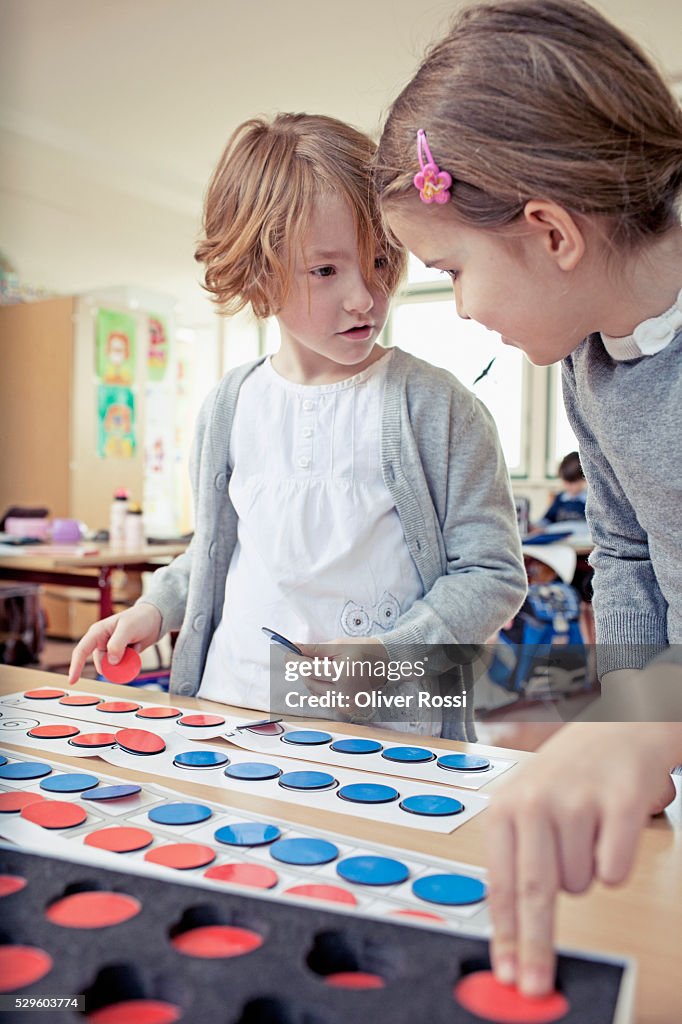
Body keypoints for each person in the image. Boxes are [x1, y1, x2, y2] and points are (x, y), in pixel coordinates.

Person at [374, 0, 682, 997]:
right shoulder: (589, 370)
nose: (456, 306)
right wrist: (637, 724)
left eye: (451, 270)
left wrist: (647, 721)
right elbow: (627, 556)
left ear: (548, 231)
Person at [69, 113, 526, 740]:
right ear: (259, 274)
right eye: (326, 271)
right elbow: (217, 552)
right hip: (234, 712)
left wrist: (394, 653)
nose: (365, 296)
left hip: (392, 733)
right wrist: (155, 608)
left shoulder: (437, 406)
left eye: (380, 259)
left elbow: (491, 574)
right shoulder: (229, 405)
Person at [534, 451, 587, 533]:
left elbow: (586, 528)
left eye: (572, 482)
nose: (568, 486)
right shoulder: (560, 498)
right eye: (565, 481)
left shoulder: (589, 502)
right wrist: (534, 526)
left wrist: (549, 529)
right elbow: (546, 520)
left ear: (584, 479)